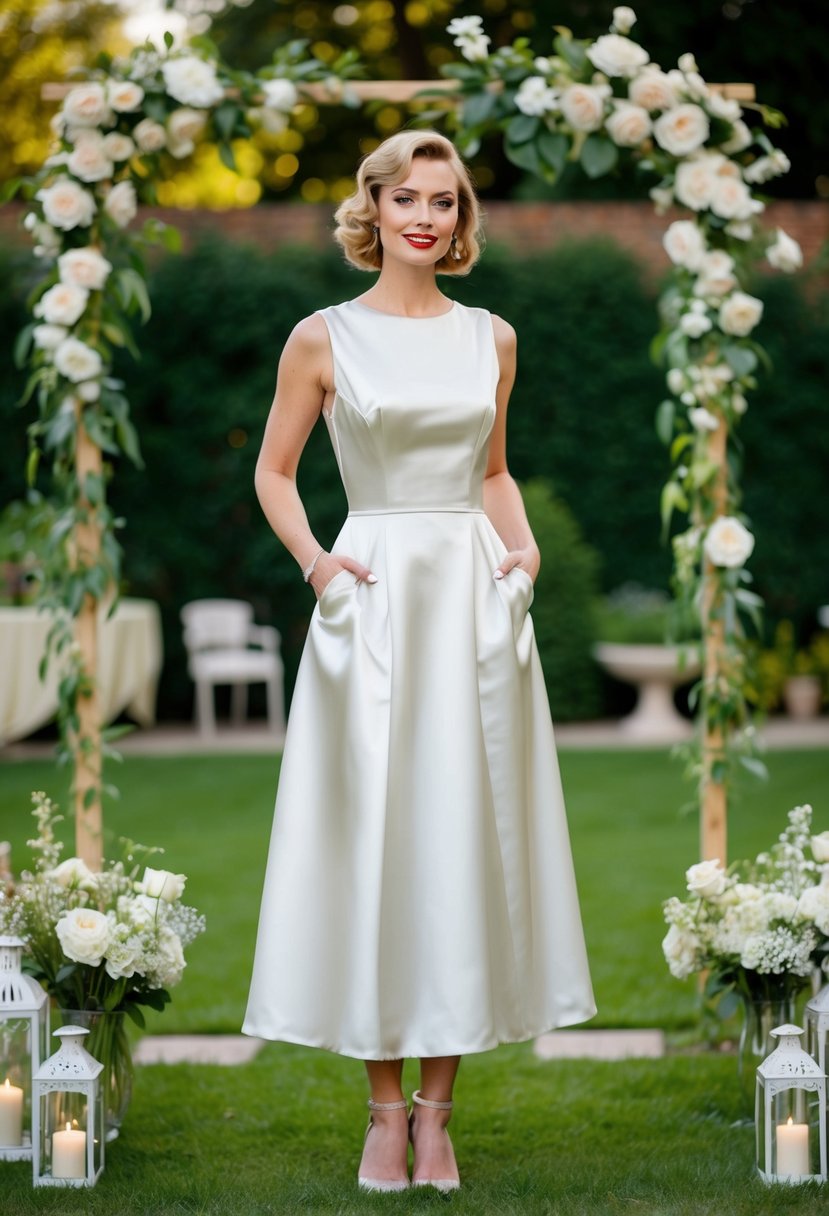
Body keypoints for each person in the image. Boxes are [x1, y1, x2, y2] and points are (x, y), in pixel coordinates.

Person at [242, 129, 595, 1192]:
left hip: (474, 605)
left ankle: (436, 1119)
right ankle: (379, 1114)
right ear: (374, 208)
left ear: (459, 221)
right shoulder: (321, 337)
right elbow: (274, 470)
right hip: (374, 598)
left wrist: (522, 549)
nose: (425, 217)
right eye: (407, 197)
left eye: (444, 201)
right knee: (373, 849)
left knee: (458, 848)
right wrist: (318, 566)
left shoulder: (493, 337)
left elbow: (490, 471)